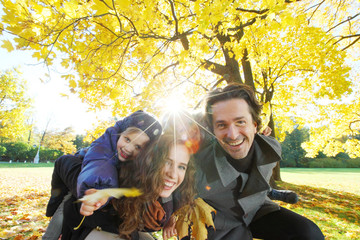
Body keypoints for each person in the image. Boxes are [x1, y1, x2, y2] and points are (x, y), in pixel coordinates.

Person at [194, 83, 324, 240]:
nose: (233, 135)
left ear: (254, 125)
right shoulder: (198, 160)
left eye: (240, 122)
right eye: (221, 125)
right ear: (212, 130)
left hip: (257, 210)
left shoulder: (270, 149)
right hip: (219, 221)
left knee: (309, 234)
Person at [43, 110, 162, 240]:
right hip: (84, 176)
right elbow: (100, 166)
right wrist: (101, 190)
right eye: (127, 139)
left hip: (98, 205)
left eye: (138, 147)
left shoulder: (136, 166)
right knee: (65, 203)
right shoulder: (105, 147)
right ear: (120, 134)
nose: (128, 148)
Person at [61, 130, 197, 240]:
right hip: (84, 230)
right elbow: (65, 162)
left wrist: (172, 219)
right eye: (167, 162)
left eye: (181, 167)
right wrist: (88, 196)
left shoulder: (171, 200)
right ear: (150, 161)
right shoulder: (114, 181)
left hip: (124, 232)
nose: (173, 175)